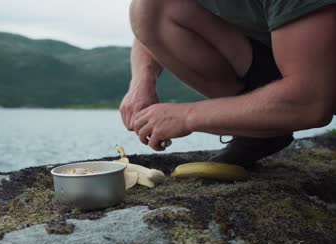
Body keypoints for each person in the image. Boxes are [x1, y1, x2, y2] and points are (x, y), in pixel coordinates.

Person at [120, 0, 336, 167]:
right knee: (149, 7)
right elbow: (151, 17)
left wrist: (187, 116)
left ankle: (269, 118)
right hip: (274, 60)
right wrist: (141, 82)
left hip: (317, 80)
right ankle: (261, 130)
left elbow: (311, 102)